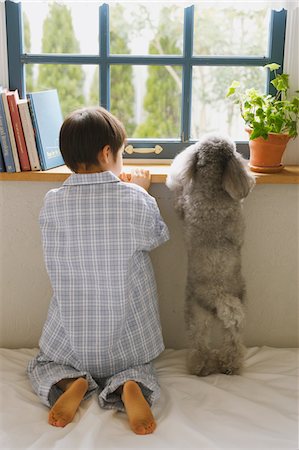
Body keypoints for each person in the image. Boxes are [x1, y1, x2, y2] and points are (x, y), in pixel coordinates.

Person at [27, 106, 169, 435]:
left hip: (72, 338)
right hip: (127, 336)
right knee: (141, 367)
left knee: (42, 364)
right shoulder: (134, 198)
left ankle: (72, 382)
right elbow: (157, 236)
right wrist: (143, 191)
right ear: (107, 153)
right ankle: (129, 385)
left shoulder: (53, 201)